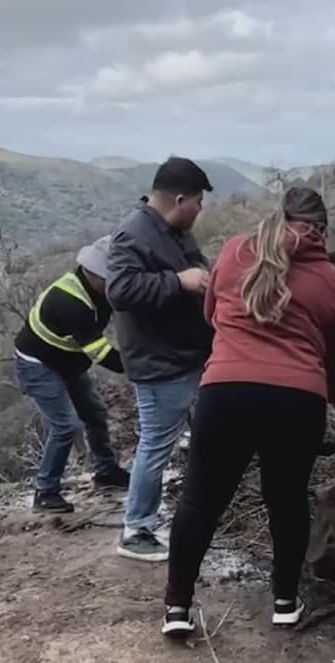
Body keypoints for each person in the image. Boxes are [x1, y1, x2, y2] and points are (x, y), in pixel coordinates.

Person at [161, 186, 335, 638]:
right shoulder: (330, 279)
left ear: (279, 214)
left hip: (225, 390)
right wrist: (334, 394)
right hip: (298, 399)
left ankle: (177, 607)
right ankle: (285, 602)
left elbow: (211, 313)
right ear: (321, 229)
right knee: (287, 500)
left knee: (200, 500)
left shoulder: (235, 251)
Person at [106, 156, 215, 561]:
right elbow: (120, 291)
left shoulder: (175, 231)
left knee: (200, 432)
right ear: (180, 199)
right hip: (160, 363)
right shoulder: (131, 234)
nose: (200, 210)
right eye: (198, 202)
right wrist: (178, 281)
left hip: (188, 354)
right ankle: (136, 528)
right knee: (155, 446)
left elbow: (193, 268)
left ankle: (196, 508)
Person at [13, 236, 132, 513]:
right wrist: (145, 365)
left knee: (95, 413)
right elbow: (102, 354)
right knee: (66, 426)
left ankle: (106, 471)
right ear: (96, 274)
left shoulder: (99, 291)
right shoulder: (70, 302)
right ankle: (45, 491)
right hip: (38, 365)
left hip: (67, 362)